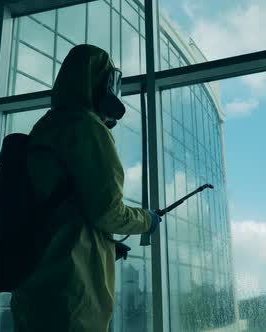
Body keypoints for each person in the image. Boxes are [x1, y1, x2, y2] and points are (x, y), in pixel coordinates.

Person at [9, 44, 161, 332]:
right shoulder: (87, 128)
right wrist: (147, 220)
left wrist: (103, 243)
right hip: (71, 292)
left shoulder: (46, 126)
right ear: (102, 83)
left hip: (35, 281)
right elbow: (108, 211)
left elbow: (62, 210)